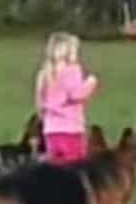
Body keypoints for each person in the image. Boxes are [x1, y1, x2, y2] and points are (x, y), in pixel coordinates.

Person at [34, 31, 98, 165]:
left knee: (56, 169)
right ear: (68, 53)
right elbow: (77, 94)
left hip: (51, 131)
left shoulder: (45, 74)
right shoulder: (72, 71)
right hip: (71, 130)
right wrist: (91, 82)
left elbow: (40, 102)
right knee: (74, 169)